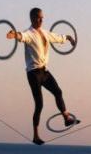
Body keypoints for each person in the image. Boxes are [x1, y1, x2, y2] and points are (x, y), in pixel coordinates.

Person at [6, 8, 80, 145]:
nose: (42, 20)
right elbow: (20, 36)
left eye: (42, 18)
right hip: (33, 73)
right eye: (39, 18)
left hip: (44, 72)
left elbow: (57, 38)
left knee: (58, 91)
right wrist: (12, 35)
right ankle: (35, 136)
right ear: (33, 18)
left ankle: (66, 118)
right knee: (39, 104)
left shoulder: (45, 33)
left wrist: (69, 38)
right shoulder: (29, 34)